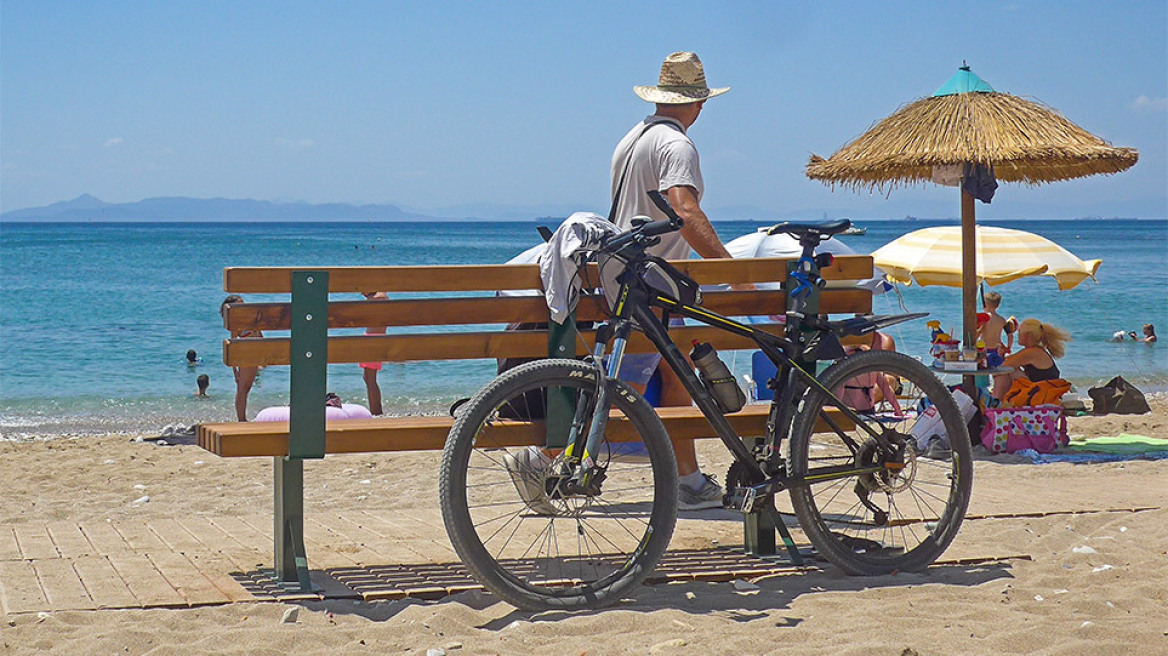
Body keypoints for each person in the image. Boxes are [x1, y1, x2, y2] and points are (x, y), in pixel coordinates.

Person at [608, 51, 741, 510]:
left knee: (675, 368)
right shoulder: (677, 146)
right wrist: (732, 270)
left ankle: (687, 478)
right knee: (664, 370)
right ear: (697, 103)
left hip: (624, 280)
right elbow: (684, 209)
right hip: (654, 286)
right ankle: (542, 458)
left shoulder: (632, 139)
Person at [998, 318, 1071, 399]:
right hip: (1042, 392)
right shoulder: (1035, 351)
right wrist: (1002, 355)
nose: (1018, 335)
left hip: (1042, 395)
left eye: (1019, 332)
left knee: (1008, 371)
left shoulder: (1033, 352)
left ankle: (996, 402)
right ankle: (998, 401)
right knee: (1010, 369)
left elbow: (1004, 366)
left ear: (1027, 336)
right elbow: (1008, 362)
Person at [220, 294, 260, 421]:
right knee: (242, 388)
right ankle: (241, 419)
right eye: (239, 304)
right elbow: (233, 345)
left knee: (247, 387)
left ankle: (243, 418)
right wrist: (234, 370)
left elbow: (260, 335)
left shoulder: (250, 318)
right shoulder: (236, 322)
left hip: (255, 354)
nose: (243, 306)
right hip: (244, 355)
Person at [976, 290, 1017, 397]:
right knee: (998, 376)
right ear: (998, 305)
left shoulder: (985, 318)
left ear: (986, 304)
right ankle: (997, 393)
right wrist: (1008, 347)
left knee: (982, 374)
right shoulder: (1001, 319)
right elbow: (1010, 334)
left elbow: (979, 332)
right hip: (997, 350)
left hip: (984, 349)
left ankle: (983, 395)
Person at [358, 291, 388, 415]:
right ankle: (376, 410)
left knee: (370, 378)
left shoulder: (380, 297)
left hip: (374, 339)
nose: (361, 293)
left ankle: (376, 411)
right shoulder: (379, 296)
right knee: (368, 377)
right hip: (372, 338)